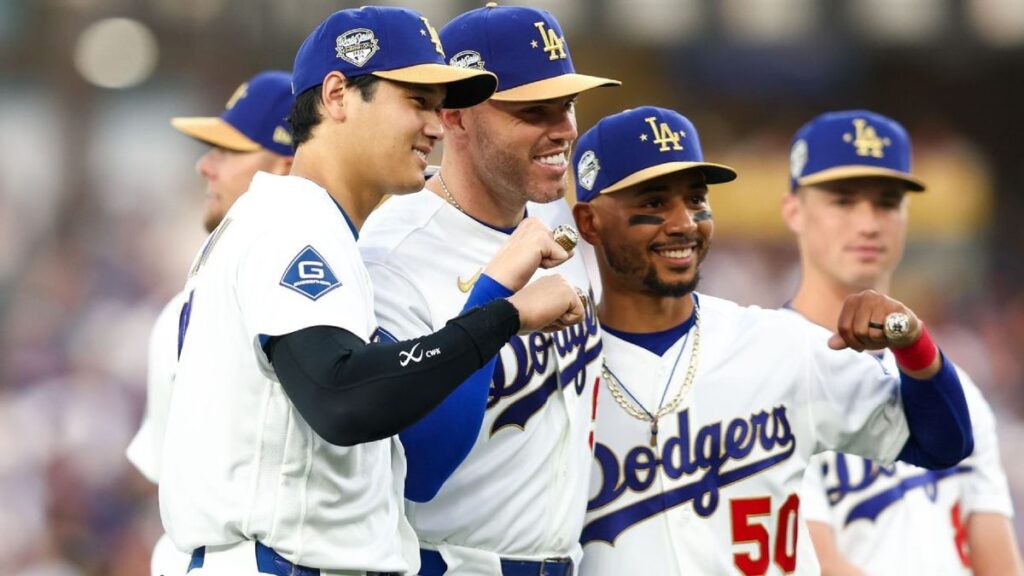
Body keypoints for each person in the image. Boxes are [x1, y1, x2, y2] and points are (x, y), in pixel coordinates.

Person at [157, 7, 584, 575]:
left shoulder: (311, 224)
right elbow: (343, 395)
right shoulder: (292, 221)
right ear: (337, 96)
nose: (435, 126)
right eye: (415, 101)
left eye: (439, 107)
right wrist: (501, 313)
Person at [570, 106, 973, 575]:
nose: (684, 222)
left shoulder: (779, 345)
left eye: (697, 199)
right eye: (655, 203)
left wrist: (912, 342)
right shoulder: (557, 373)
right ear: (590, 222)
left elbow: (943, 442)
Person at [358, 4, 619, 574]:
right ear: (454, 117)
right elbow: (417, 472)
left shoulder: (556, 218)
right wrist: (493, 297)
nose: (564, 129)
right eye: (532, 111)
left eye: (567, 105)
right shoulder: (393, 254)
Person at [782, 109, 1022, 575]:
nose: (869, 223)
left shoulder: (955, 386)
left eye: (887, 203)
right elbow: (817, 565)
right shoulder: (769, 367)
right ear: (794, 211)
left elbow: (1000, 562)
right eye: (843, 201)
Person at [124, 69, 296, 576]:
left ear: (284, 168)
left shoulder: (352, 284)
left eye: (228, 150)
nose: (206, 166)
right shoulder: (181, 310)